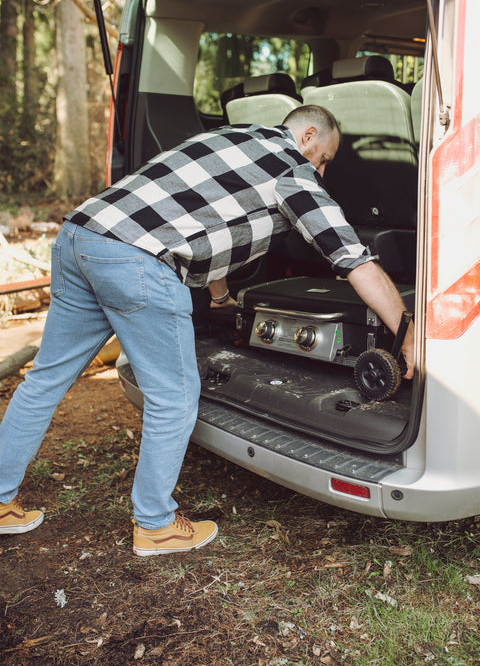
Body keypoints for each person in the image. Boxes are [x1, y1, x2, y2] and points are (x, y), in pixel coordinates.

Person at [0, 105, 414, 554]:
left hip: (81, 236)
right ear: (309, 135)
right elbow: (351, 256)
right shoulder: (292, 170)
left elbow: (201, 222)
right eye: (326, 158)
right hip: (136, 258)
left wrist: (219, 298)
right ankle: (155, 524)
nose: (322, 169)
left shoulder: (232, 138)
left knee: (44, 379)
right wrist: (404, 330)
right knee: (174, 397)